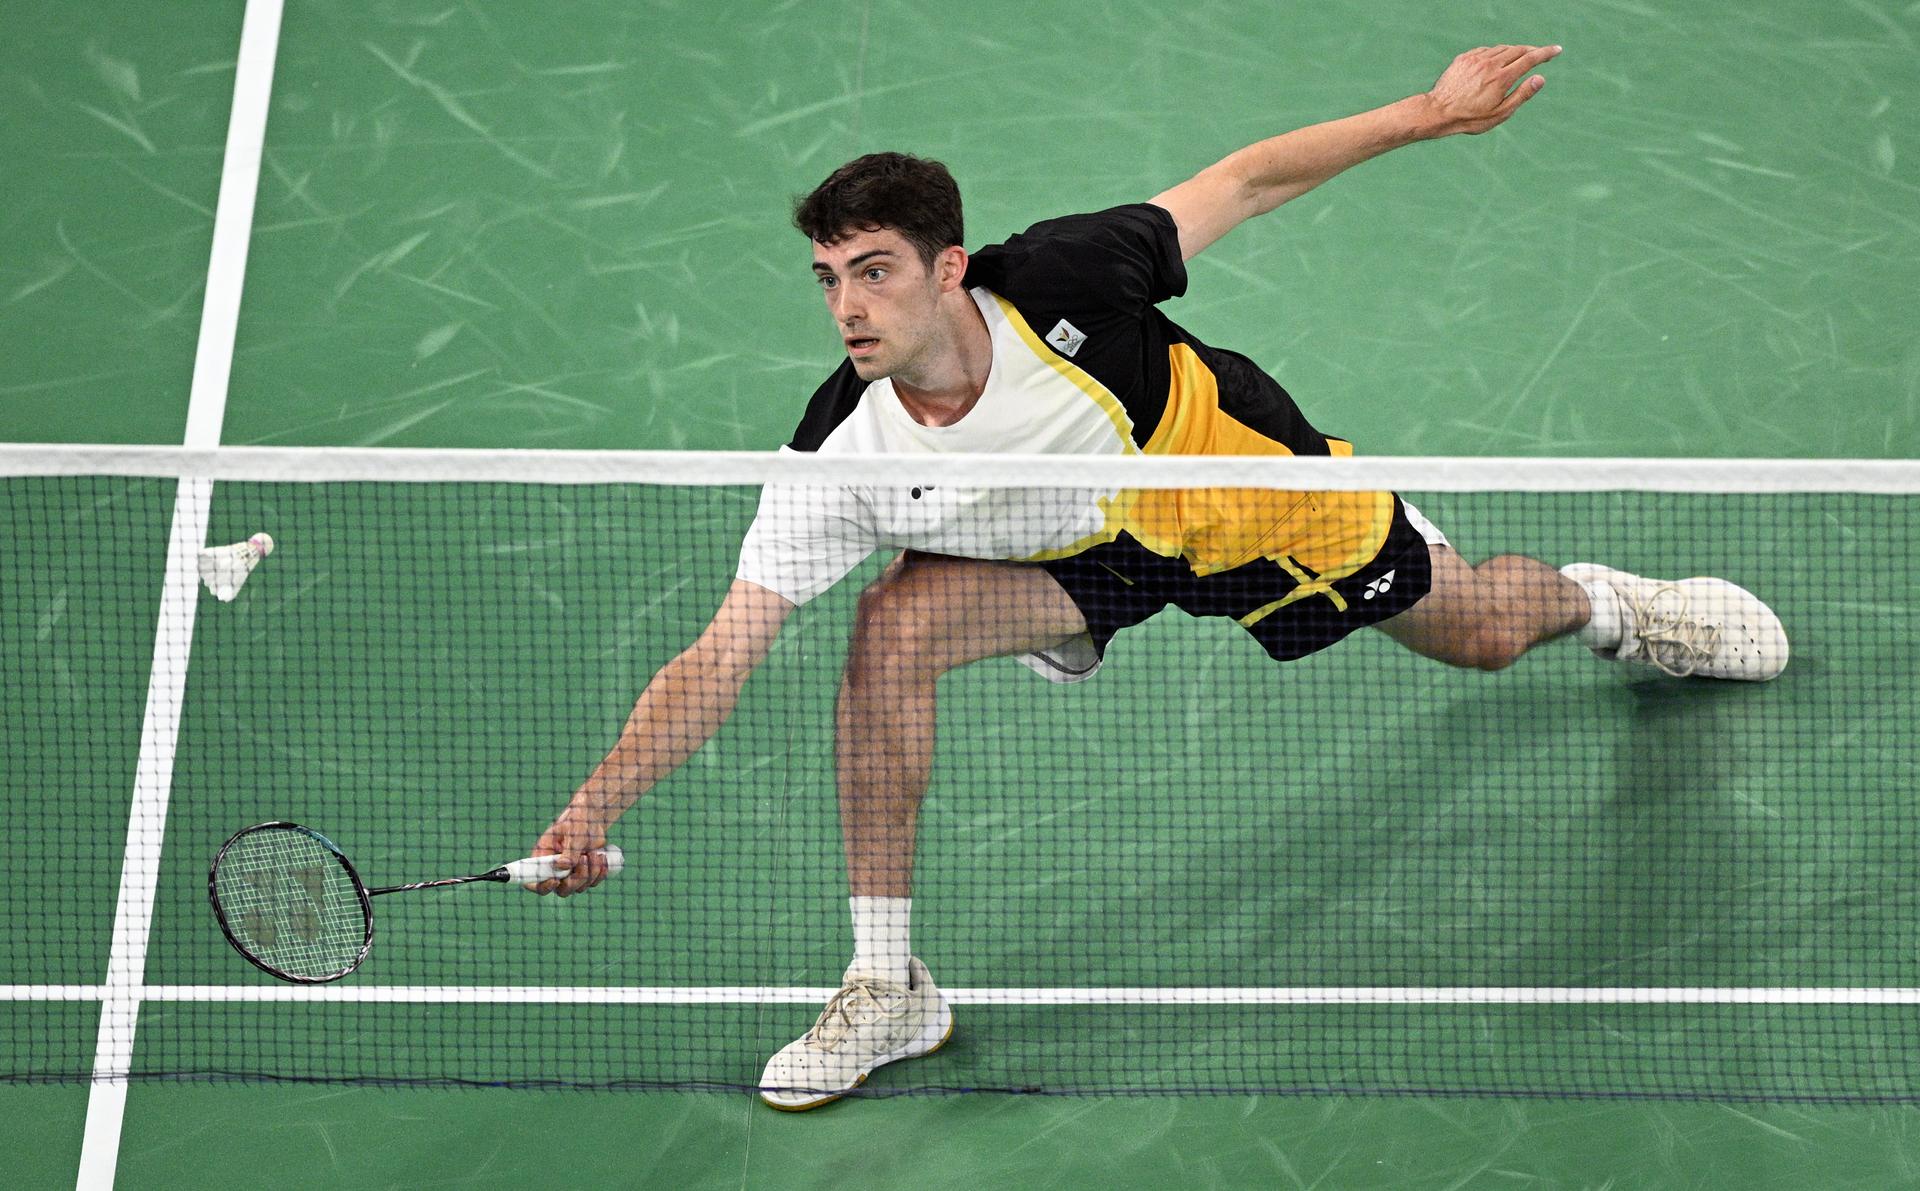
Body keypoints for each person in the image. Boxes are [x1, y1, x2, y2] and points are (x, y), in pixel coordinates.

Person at [528, 44, 1789, 1109]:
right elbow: (721, 652)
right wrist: (594, 807)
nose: (847, 307)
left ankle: (1621, 606)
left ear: (948, 267)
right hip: (1088, 549)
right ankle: (887, 983)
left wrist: (1434, 113)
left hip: (1247, 498)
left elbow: (1242, 181)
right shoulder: (838, 454)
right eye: (827, 280)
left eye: (874, 272)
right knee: (888, 628)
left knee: (1482, 632)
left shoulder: (1073, 275)